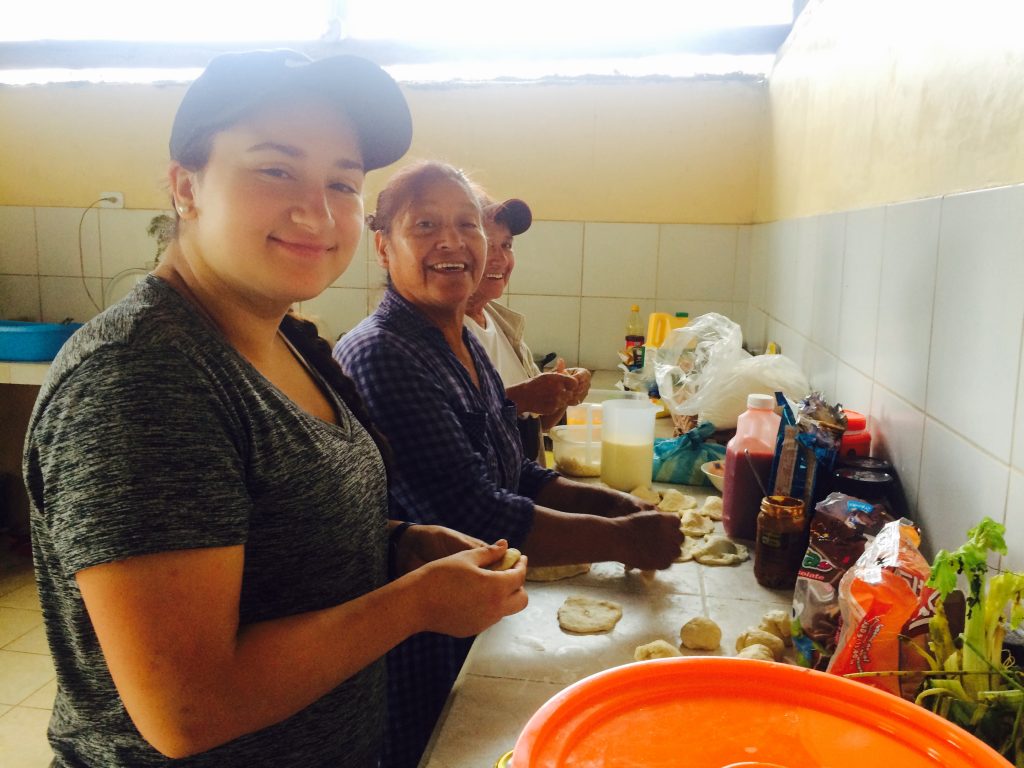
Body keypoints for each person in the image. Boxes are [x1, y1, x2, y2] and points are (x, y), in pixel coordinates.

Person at [23, 51, 527, 768]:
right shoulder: (142, 376)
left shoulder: (283, 339)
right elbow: (186, 707)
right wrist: (413, 604)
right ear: (185, 187)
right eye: (275, 169)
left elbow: (266, 535)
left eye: (343, 182)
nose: (317, 211)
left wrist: (394, 547)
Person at [333, 160, 685, 767]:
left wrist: (616, 504)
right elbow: (472, 510)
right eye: (425, 225)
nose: (452, 242)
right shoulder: (383, 353)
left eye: (467, 225)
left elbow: (515, 470)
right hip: (419, 645)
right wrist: (623, 540)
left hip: (474, 621)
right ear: (383, 248)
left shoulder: (465, 337)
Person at [463, 195, 592, 463]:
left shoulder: (501, 322)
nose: (500, 258)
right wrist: (519, 398)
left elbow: (537, 425)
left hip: (525, 491)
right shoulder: (444, 333)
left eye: (507, 245)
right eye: (487, 245)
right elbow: (452, 435)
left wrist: (561, 395)